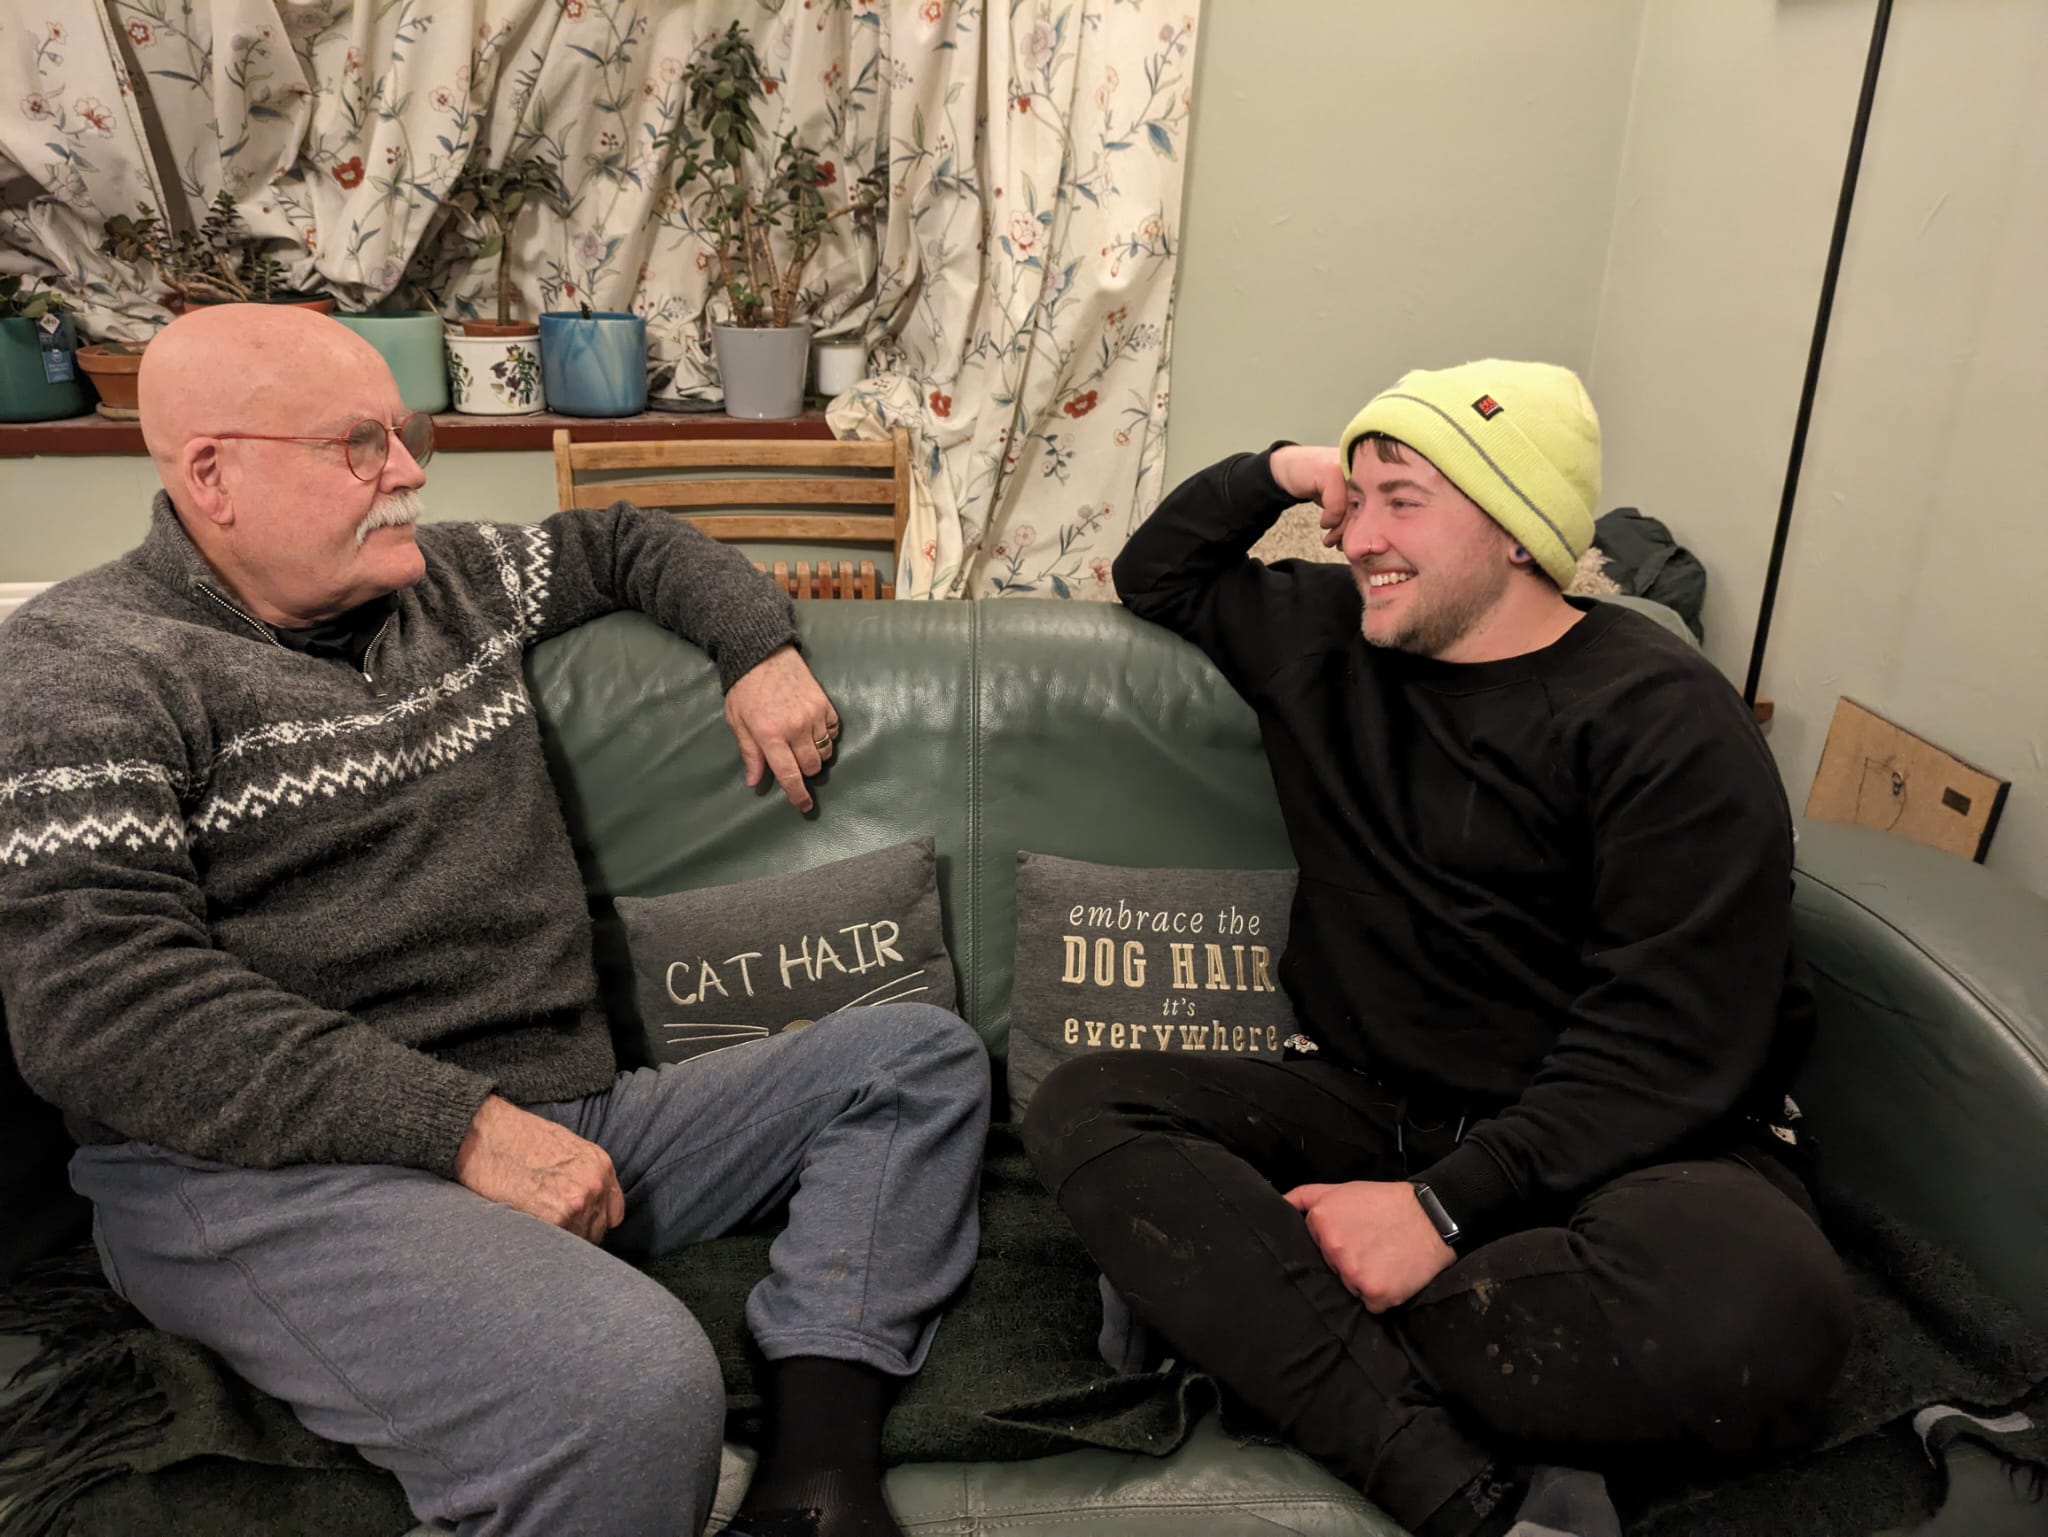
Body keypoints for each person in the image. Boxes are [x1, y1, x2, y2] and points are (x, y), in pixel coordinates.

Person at [0, 305, 989, 1537]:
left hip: (563, 1116)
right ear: (214, 472)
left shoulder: (453, 582)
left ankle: (814, 1477)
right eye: (361, 444)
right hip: (274, 1175)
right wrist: (462, 1130)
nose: (412, 470)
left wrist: (753, 646)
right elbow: (99, 1009)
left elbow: (626, 539)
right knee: (628, 1389)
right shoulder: (86, 667)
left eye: (405, 434)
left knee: (916, 1054)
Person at [1021, 360, 1854, 1537]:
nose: (1359, 535)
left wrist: (1442, 1213)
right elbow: (1159, 569)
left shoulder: (1661, 717)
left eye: (1401, 499)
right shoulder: (1323, 634)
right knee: (1086, 1105)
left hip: (1618, 1141)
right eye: (1350, 503)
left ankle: (1233, 1305)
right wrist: (1288, 468)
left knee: (1755, 1320)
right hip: (1367, 1104)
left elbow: (1664, 1044)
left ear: (1517, 531)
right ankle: (1448, 1487)